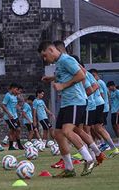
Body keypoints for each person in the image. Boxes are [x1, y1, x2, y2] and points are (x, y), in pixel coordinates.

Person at [38, 40, 94, 177]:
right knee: (58, 134)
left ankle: (89, 158)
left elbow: (81, 75)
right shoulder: (59, 63)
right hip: (66, 103)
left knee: (67, 131)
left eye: (45, 56)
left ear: (51, 50)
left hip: (75, 100)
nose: (45, 59)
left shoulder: (66, 59)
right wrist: (51, 78)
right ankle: (69, 169)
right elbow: (64, 74)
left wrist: (63, 86)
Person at [90, 69, 119, 154]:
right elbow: (107, 94)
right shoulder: (100, 82)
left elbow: (102, 94)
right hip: (103, 107)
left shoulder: (99, 82)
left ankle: (105, 144)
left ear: (95, 75)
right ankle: (102, 144)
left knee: (99, 127)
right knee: (96, 127)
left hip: (101, 107)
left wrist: (103, 105)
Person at [1, 83, 24, 150]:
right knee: (18, 129)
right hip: (9, 117)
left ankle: (11, 146)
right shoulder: (7, 95)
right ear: (12, 88)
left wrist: (18, 107)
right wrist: (9, 114)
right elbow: (3, 105)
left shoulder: (15, 96)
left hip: (15, 116)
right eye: (16, 89)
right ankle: (19, 145)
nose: (17, 91)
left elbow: (14, 105)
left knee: (12, 131)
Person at [107, 81, 119, 146]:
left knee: (117, 125)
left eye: (109, 87)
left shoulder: (117, 92)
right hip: (112, 111)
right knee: (114, 126)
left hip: (117, 111)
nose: (109, 88)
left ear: (113, 86)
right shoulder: (111, 93)